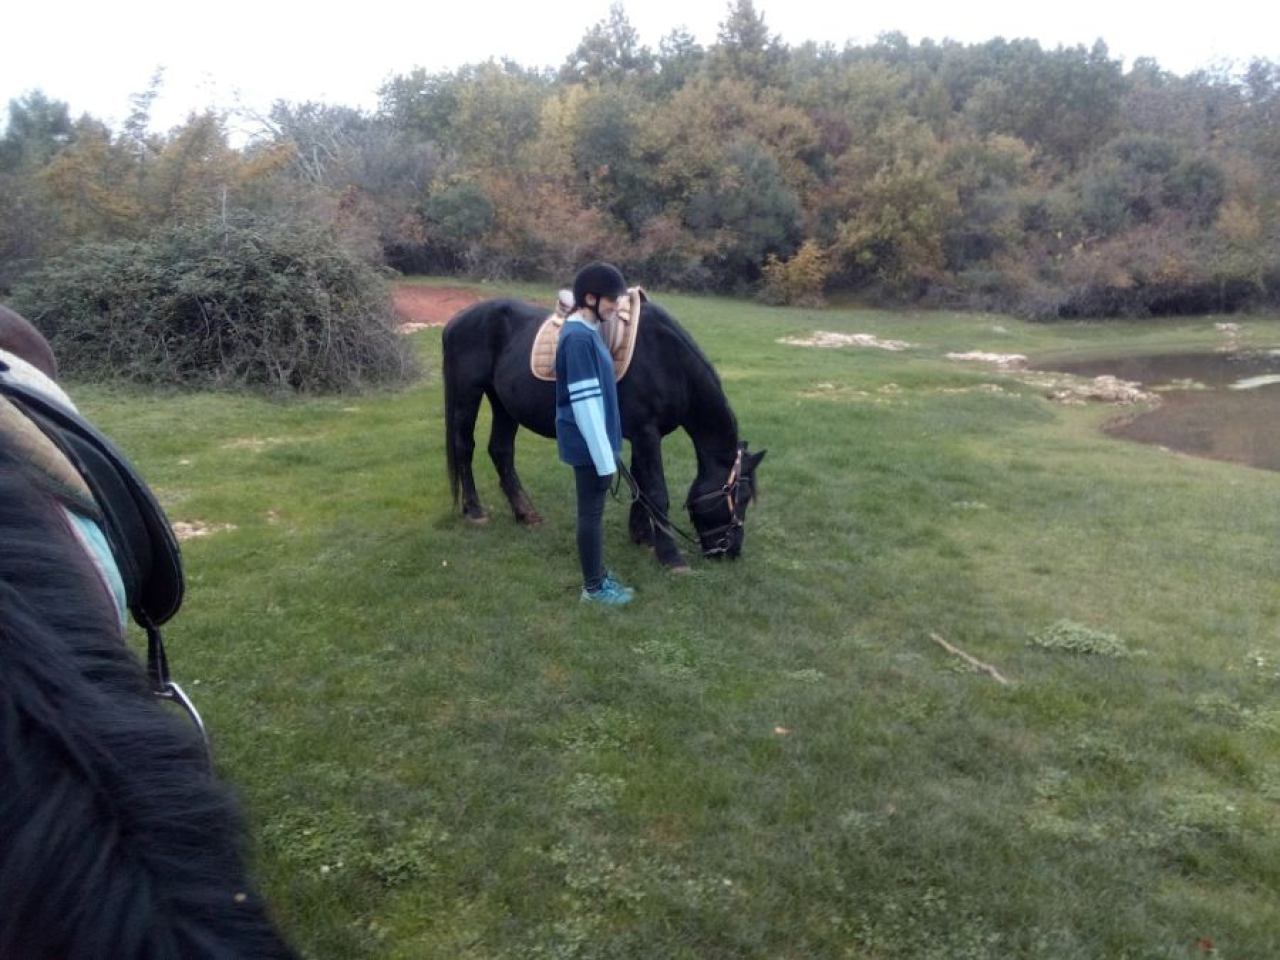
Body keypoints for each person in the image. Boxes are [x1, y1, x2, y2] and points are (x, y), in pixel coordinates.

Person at [556, 262, 635, 606]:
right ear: (590, 298)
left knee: (594, 514)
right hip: (588, 447)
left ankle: (598, 575)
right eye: (612, 300)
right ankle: (593, 589)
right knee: (590, 515)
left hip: (596, 446)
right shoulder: (577, 339)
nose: (617, 306)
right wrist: (605, 460)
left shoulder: (589, 331)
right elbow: (586, 406)